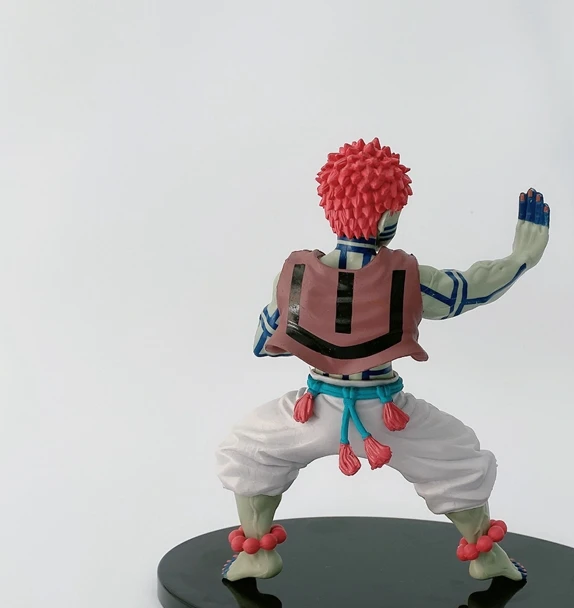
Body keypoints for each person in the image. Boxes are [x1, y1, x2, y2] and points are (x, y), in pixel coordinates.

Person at [217, 137, 550, 582]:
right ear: (388, 217)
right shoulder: (407, 277)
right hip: (388, 414)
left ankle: (256, 553)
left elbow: (264, 340)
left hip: (313, 410)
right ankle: (485, 555)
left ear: (331, 207)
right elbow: (467, 290)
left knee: (247, 449)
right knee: (457, 460)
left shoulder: (294, 275)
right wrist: (521, 259)